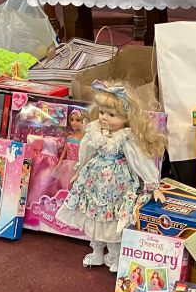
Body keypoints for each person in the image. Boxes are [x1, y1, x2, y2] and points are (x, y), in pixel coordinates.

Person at [55, 82, 165, 270]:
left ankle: (114, 256)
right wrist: (80, 170)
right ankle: (97, 252)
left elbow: (139, 160)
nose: (104, 118)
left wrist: (152, 184)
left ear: (127, 117)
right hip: (94, 180)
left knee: (113, 219)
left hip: (117, 182)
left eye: (111, 115)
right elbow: (86, 151)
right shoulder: (94, 130)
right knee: (94, 215)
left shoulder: (125, 136)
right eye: (102, 112)